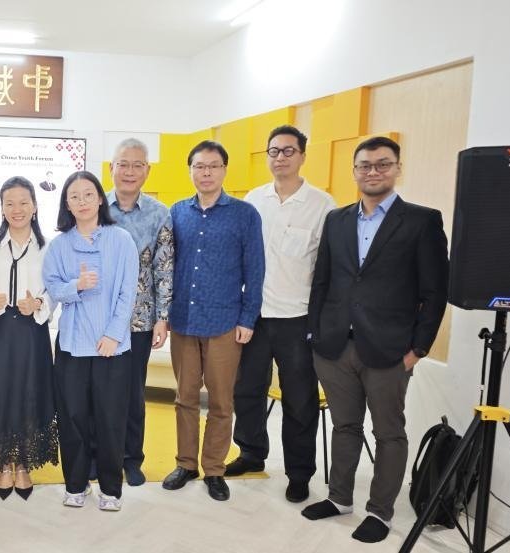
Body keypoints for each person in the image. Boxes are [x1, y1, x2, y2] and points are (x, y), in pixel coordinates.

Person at [302, 136, 449, 543]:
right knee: (344, 426)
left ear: (398, 168)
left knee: (388, 433)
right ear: (354, 171)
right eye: (365, 165)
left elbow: (435, 292)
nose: (373, 171)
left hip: (390, 350)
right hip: (335, 346)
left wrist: (418, 349)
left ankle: (380, 512)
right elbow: (322, 280)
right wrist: (315, 332)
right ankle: (339, 499)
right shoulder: (337, 220)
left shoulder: (421, 221)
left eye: (383, 164)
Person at [231, 126, 336, 502]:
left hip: (298, 317)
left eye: (288, 151)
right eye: (274, 151)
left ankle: (299, 472)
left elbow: (328, 267)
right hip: (254, 315)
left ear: (303, 155)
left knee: (299, 399)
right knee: (247, 391)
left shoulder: (323, 205)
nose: (280, 157)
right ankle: (251, 453)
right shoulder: (253, 200)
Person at [162, 140, 264, 502]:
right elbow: (167, 266)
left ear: (224, 170)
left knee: (221, 402)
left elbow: (255, 269)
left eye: (213, 166)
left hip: (225, 322)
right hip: (184, 321)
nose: (206, 173)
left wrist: (248, 317)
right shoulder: (176, 212)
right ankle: (186, 464)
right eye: (199, 166)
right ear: (190, 170)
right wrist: (165, 313)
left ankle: (215, 469)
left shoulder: (244, 214)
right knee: (185, 398)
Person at [43, 171, 139, 512]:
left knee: (110, 419)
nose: (81, 201)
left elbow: (128, 292)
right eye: (74, 196)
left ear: (100, 198)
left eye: (88, 194)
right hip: (72, 345)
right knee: (72, 419)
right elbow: (54, 289)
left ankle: (111, 489)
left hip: (112, 347)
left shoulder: (121, 240)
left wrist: (113, 334)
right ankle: (75, 484)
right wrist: (77, 286)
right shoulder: (59, 245)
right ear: (66, 204)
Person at [0, 176, 58, 500]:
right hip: (1, 330)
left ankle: (23, 463)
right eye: (10, 203)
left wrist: (39, 303)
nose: (17, 209)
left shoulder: (49, 247)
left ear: (35, 206)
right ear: (2, 208)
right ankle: (3, 462)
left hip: (32, 331)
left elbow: (54, 290)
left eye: (23, 202)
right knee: (0, 393)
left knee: (30, 393)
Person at [105, 138, 173, 486]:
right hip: (99, 320)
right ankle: (101, 456)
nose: (129, 171)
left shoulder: (160, 213)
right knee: (99, 392)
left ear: (147, 170)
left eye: (137, 165)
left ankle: (131, 459)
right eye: (123, 164)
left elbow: (164, 268)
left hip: (140, 321)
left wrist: (162, 318)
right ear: (111, 168)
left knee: (133, 394)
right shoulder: (94, 206)